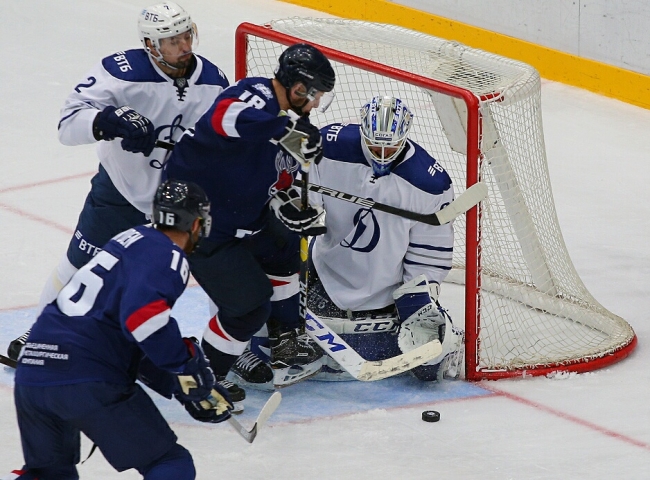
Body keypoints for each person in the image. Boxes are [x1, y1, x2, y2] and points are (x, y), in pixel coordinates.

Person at [7, 0, 233, 392]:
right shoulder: (119, 72)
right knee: (80, 261)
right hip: (122, 191)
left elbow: (225, 136)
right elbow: (67, 124)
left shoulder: (212, 80)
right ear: (150, 43)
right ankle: (39, 332)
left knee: (218, 272)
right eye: (171, 40)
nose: (183, 46)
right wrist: (107, 120)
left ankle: (223, 355)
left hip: (182, 199)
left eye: (186, 35)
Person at [6, 180, 233, 480]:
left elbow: (123, 332)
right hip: (85, 375)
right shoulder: (170, 254)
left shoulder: (129, 239)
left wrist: (177, 383)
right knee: (169, 463)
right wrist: (186, 364)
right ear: (195, 224)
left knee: (50, 474)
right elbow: (142, 320)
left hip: (33, 370)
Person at [162, 43, 336, 390]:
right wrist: (283, 130)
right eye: (315, 95)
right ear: (299, 88)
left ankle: (285, 339)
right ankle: (202, 379)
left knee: (285, 238)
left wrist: (282, 201)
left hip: (237, 212)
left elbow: (268, 171)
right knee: (247, 306)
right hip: (195, 221)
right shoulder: (256, 95)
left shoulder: (291, 118)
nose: (317, 104)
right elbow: (222, 116)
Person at [305, 95, 465, 382]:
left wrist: (419, 298)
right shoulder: (329, 148)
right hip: (324, 269)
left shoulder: (429, 184)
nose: (381, 153)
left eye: (389, 145)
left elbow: (430, 251)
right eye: (374, 144)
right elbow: (299, 193)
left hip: (383, 291)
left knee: (427, 367)